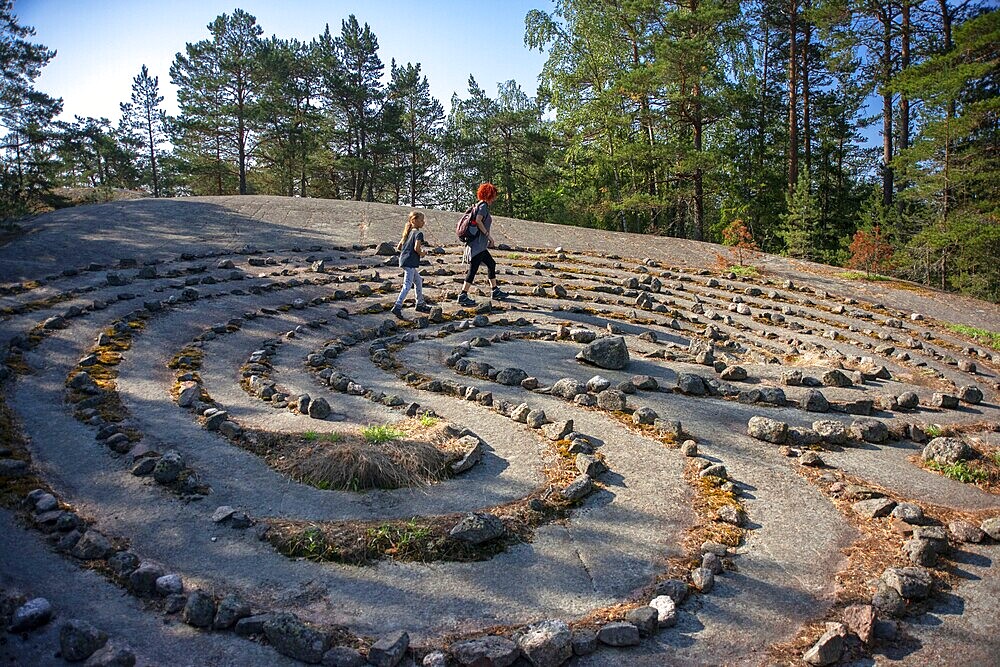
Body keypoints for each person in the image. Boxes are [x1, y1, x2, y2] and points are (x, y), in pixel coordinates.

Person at [458, 182, 507, 307]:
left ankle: (495, 290)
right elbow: (479, 221)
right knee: (473, 269)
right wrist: (488, 236)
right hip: (478, 244)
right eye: (494, 195)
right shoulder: (483, 206)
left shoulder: (479, 205)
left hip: (479, 245)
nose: (495, 198)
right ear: (489, 194)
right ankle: (463, 295)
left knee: (491, 264)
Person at [391, 210, 431, 318]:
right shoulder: (418, 233)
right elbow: (416, 248)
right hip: (410, 262)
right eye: (422, 220)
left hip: (404, 260)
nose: (423, 222)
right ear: (414, 220)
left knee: (418, 280)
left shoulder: (408, 232)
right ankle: (397, 306)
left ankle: (420, 303)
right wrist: (422, 253)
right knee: (407, 285)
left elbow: (399, 247)